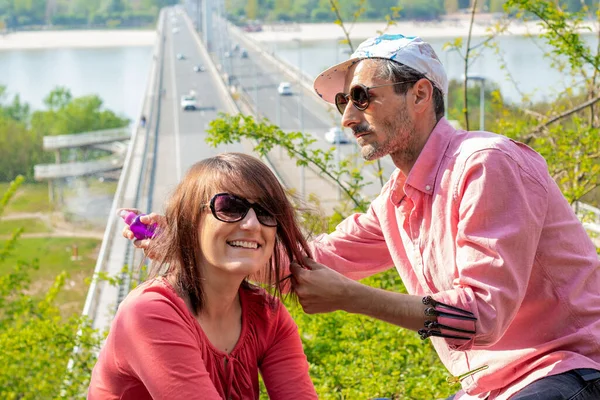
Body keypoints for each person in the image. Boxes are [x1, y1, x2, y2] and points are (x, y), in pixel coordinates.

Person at [125, 35, 600, 399]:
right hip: (496, 387)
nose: (348, 117)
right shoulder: (397, 201)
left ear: (419, 94)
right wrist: (189, 238)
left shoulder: (484, 163)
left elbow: (480, 315)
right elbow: (305, 262)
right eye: (342, 102)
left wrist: (351, 297)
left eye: (362, 97)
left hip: (568, 371)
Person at [89, 153, 317, 400]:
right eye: (229, 207)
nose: (252, 224)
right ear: (190, 222)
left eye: (266, 211)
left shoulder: (267, 316)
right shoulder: (148, 313)